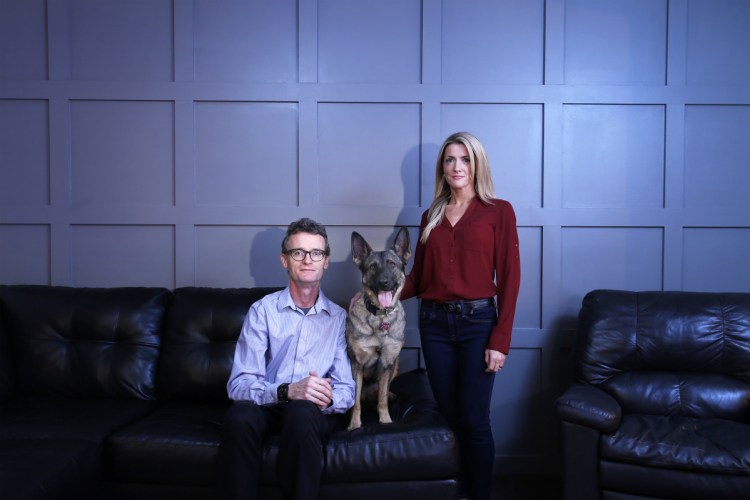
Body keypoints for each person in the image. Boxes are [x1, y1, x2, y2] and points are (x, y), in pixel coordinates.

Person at [400, 132, 521, 500]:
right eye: (450, 160)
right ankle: (456, 492)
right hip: (434, 326)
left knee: (474, 420)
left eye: (464, 159)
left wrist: (500, 341)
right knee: (450, 417)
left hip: (478, 326)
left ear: (477, 164)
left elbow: (511, 279)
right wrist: (381, 295)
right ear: (442, 167)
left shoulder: (499, 211)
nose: (457, 167)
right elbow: (419, 279)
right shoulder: (430, 216)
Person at [218, 217, 355, 500]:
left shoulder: (339, 319)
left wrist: (326, 397)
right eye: (298, 253)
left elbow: (346, 390)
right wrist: (287, 390)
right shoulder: (262, 311)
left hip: (309, 412)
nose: (308, 260)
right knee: (239, 417)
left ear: (325, 261)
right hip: (268, 403)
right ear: (285, 260)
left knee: (302, 411)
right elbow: (239, 384)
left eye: (316, 253)